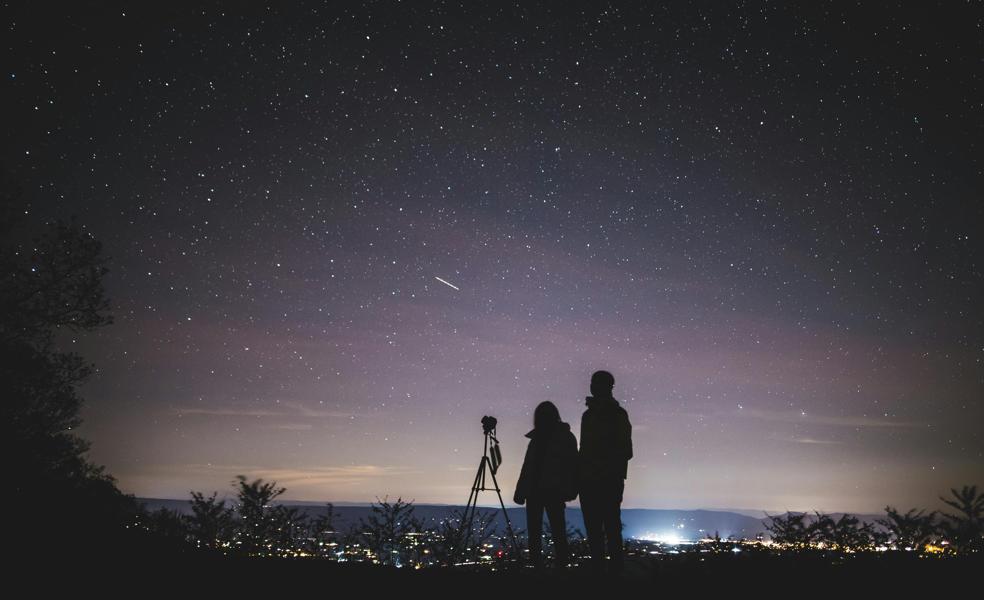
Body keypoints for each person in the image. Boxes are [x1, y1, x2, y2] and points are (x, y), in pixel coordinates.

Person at [578, 370, 632, 574]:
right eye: (592, 382)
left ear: (608, 387)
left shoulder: (616, 415)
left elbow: (626, 450)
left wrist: (599, 462)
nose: (592, 387)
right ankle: (602, 572)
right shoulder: (589, 415)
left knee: (609, 526)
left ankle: (612, 573)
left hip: (606, 480)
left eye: (596, 383)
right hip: (593, 480)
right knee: (597, 528)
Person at [513, 400, 578, 568]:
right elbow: (528, 467)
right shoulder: (560, 437)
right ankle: (553, 567)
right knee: (553, 531)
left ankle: (547, 568)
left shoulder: (542, 439)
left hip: (547, 490)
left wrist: (521, 491)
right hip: (546, 491)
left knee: (547, 531)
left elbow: (571, 465)